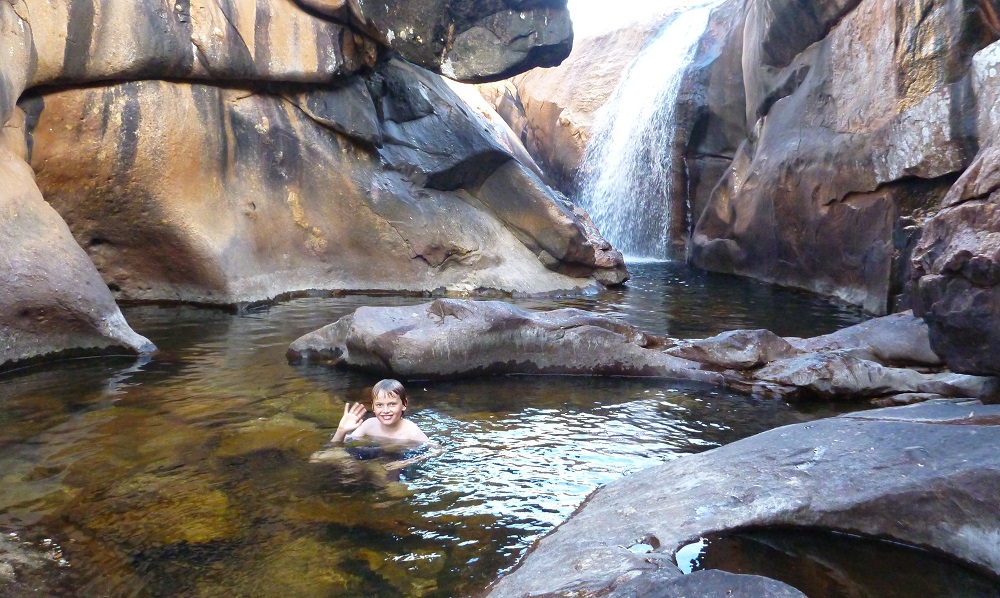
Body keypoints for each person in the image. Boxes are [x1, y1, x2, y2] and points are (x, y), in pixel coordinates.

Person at [331, 379, 429, 445]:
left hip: (401, 459)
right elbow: (338, 444)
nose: (385, 411)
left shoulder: (411, 432)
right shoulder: (369, 425)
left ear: (404, 404)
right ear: (373, 407)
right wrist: (341, 430)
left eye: (392, 404)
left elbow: (436, 451)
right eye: (379, 405)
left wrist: (404, 463)